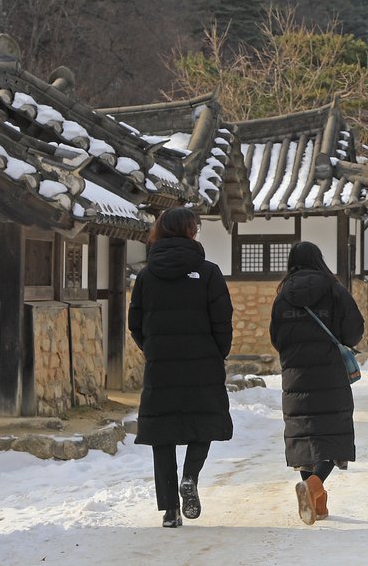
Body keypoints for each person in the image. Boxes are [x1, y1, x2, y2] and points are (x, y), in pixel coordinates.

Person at [128, 207, 234, 528]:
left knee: (163, 435)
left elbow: (135, 323)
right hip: (203, 364)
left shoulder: (146, 276)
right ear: (190, 231)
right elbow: (223, 321)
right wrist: (217, 353)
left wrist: (154, 349)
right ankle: (189, 477)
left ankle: (170, 511)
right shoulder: (209, 272)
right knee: (204, 424)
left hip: (162, 367)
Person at [270, 241, 365, 525]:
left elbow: (277, 337)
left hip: (295, 374)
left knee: (304, 436)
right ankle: (313, 486)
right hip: (330, 372)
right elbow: (354, 329)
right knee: (332, 434)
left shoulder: (282, 296)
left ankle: (318, 503)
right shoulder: (334, 290)